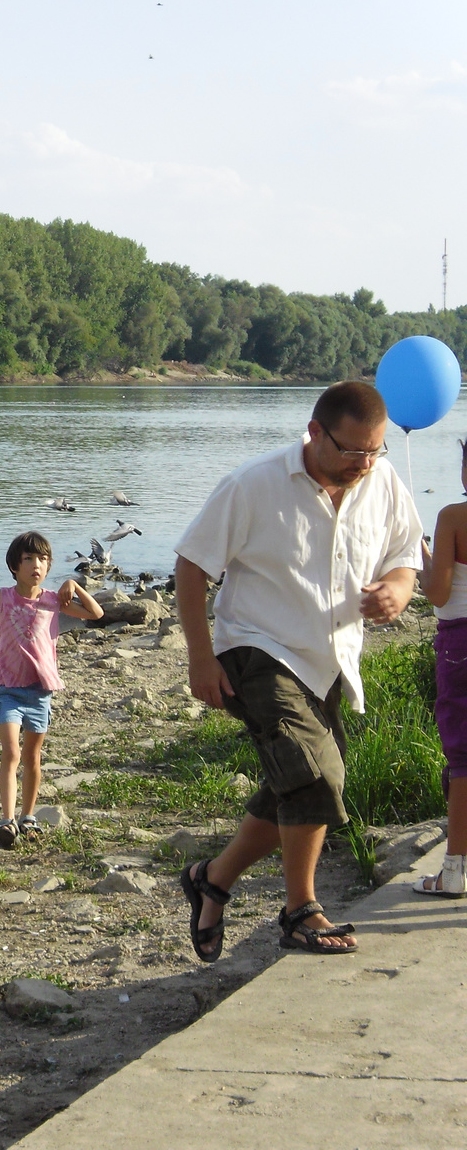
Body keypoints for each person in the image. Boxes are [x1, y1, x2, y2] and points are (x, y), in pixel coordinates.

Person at [175, 381, 422, 960]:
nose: (362, 464)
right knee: (316, 777)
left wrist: (399, 591)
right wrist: (199, 657)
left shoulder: (380, 480)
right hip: (256, 651)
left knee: (295, 781)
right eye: (350, 451)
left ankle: (211, 878)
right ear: (314, 432)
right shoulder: (253, 484)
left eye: (373, 451)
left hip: (328, 659)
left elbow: (407, 554)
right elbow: (191, 565)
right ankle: (300, 910)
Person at [0, 531, 103, 847]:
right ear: (14, 567)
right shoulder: (2, 597)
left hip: (40, 691)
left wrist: (74, 586)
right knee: (12, 752)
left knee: (32, 757)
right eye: (29, 559)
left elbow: (96, 614)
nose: (36, 564)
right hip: (8, 690)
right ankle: (7, 821)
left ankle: (28, 817)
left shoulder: (52, 601)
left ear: (48, 566)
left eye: (43, 559)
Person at [416, 441, 467, 897]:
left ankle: (453, 872)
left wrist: (424, 557)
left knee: (463, 761)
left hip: (461, 643)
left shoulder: (454, 516)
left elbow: (437, 592)